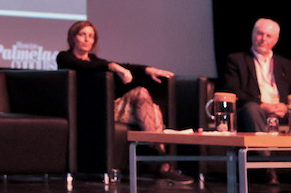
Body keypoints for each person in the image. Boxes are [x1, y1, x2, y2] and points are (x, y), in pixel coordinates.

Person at [57, 20, 192, 183]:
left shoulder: (94, 59)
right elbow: (86, 67)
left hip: (110, 109)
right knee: (144, 99)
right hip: (91, 111)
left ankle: (161, 162)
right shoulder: (64, 57)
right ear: (73, 38)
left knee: (152, 108)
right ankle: (162, 162)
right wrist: (115, 67)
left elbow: (125, 66)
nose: (87, 39)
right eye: (82, 35)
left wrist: (148, 70)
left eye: (91, 36)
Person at [223, 18, 291, 133]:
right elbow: (233, 90)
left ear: (276, 39)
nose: (263, 39)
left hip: (281, 113)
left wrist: (286, 107)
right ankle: (264, 150)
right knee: (252, 109)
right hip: (253, 111)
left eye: (269, 36)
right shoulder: (236, 60)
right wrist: (262, 105)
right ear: (253, 34)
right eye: (260, 34)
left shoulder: (285, 64)